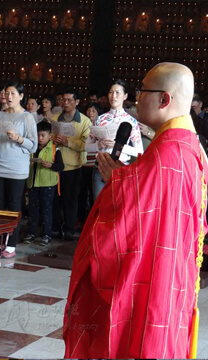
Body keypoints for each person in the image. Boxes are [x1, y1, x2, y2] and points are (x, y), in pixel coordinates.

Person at [63, 62, 208, 358]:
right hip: (172, 275)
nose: (136, 99)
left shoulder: (168, 153)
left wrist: (117, 182)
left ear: (164, 99)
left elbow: (130, 218)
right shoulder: (185, 144)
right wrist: (124, 179)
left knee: (142, 342)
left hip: (154, 281)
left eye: (142, 91)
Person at [0, 81, 37, 258]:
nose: (9, 96)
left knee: (14, 205)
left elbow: (33, 146)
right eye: (7, 93)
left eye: (13, 93)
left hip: (16, 168)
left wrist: (18, 138)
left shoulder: (27, 117)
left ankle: (11, 243)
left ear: (21, 96)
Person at [86, 79, 143, 200]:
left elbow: (140, 151)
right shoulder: (100, 119)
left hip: (120, 168)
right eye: (111, 92)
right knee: (98, 206)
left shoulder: (131, 121)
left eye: (118, 92)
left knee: (116, 207)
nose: (114, 96)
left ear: (125, 96)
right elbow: (86, 146)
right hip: (99, 168)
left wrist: (120, 146)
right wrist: (98, 145)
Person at [50, 88, 91, 240]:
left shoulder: (85, 121)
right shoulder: (54, 118)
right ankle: (55, 227)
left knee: (70, 199)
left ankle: (69, 229)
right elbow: (47, 137)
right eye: (63, 100)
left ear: (77, 102)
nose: (65, 103)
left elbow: (85, 144)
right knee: (55, 199)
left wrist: (68, 142)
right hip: (55, 165)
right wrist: (53, 139)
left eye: (69, 100)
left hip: (74, 166)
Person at [23, 120, 64, 246]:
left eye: (43, 135)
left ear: (50, 135)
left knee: (47, 210)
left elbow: (60, 166)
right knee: (33, 210)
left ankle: (47, 234)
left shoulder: (54, 149)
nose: (40, 138)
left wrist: (50, 165)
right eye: (38, 135)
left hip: (47, 184)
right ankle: (31, 233)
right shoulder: (32, 147)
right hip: (33, 183)